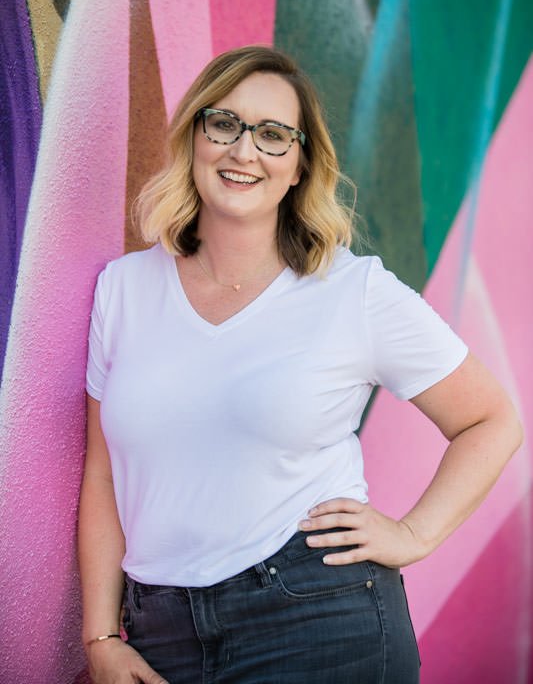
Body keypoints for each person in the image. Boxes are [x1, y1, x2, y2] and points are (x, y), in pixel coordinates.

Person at [78, 45, 522, 684]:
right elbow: (103, 472)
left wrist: (415, 535)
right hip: (159, 636)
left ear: (299, 166)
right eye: (224, 124)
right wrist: (99, 634)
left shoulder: (353, 291)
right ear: (194, 137)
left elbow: (491, 419)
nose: (244, 151)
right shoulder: (122, 289)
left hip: (318, 621)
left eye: (273, 135)